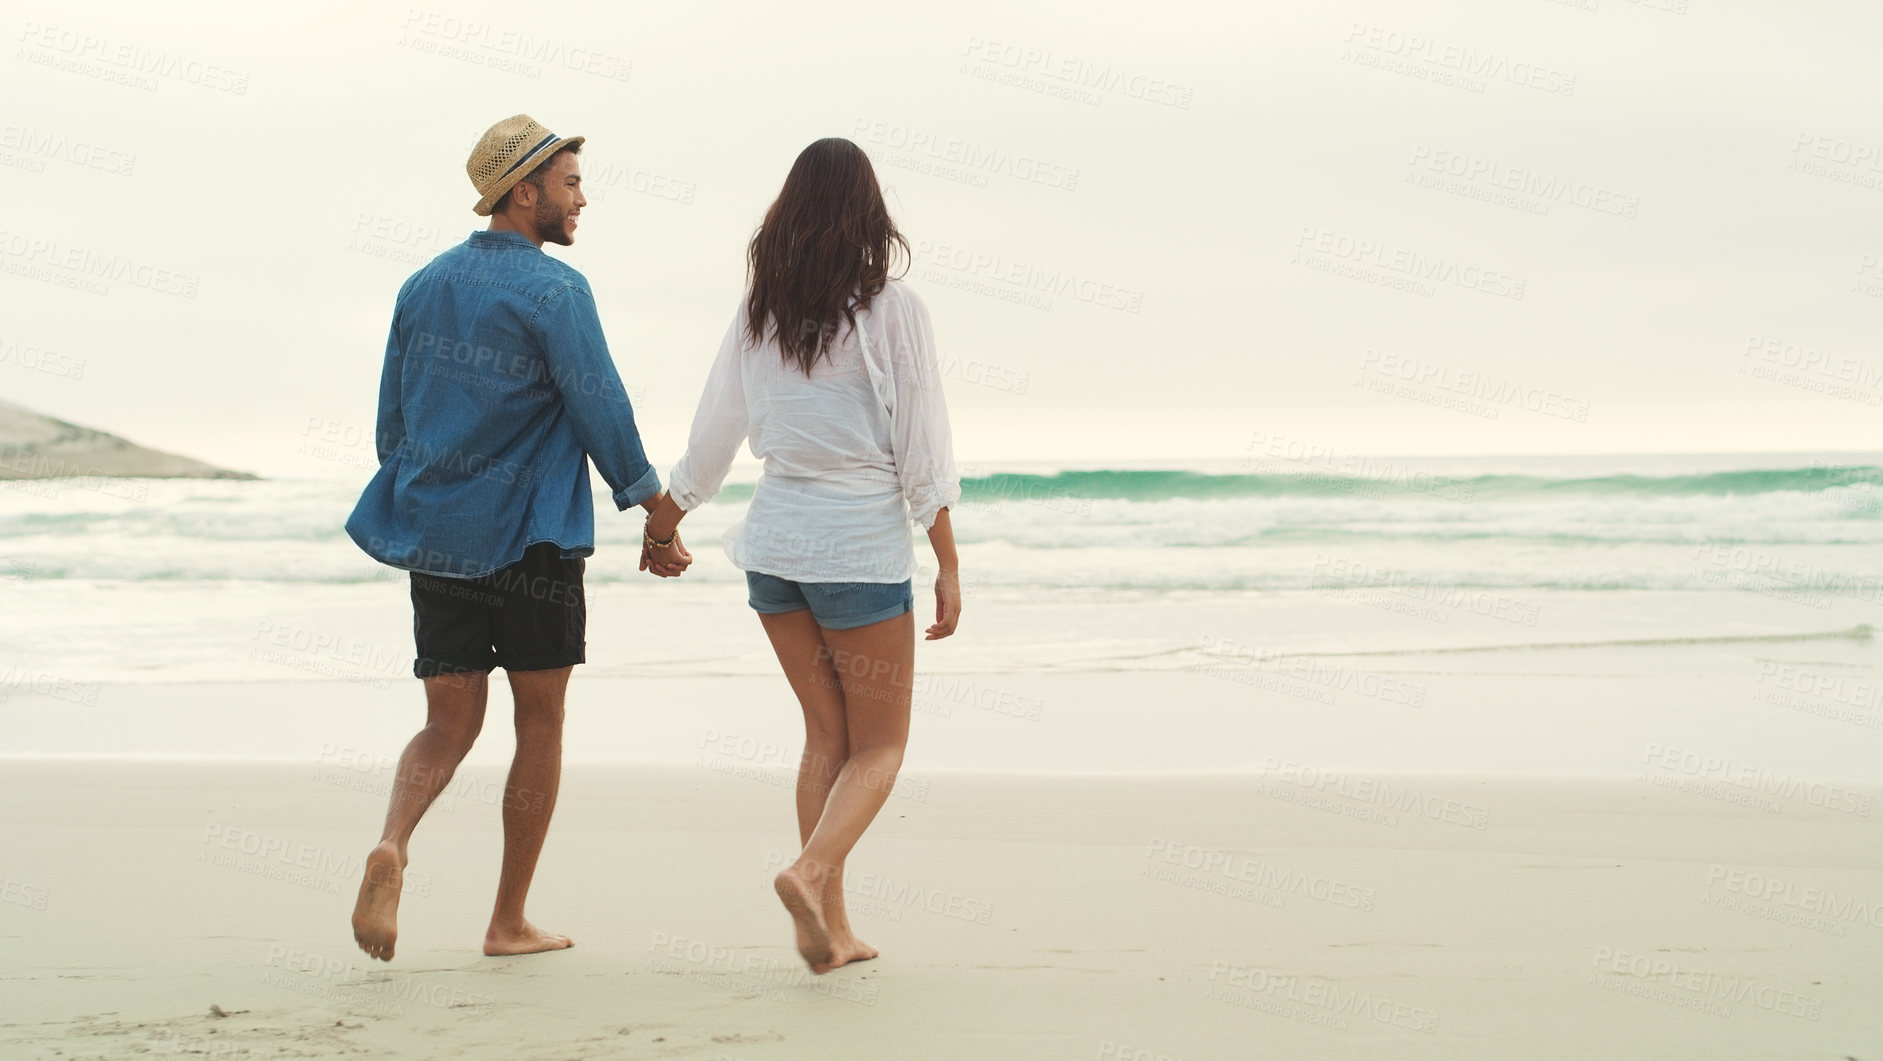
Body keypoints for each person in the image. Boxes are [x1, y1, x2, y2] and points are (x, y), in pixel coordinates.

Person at [342, 114, 691, 963]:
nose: (581, 198)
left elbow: (393, 418)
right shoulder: (555, 290)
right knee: (539, 722)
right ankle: (507, 920)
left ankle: (393, 841)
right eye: (569, 183)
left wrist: (425, 497)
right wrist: (651, 505)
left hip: (440, 535)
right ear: (524, 191)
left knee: (447, 720)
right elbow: (598, 403)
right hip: (534, 536)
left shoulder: (422, 285)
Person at [642, 137, 961, 974]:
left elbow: (712, 438)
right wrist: (948, 565)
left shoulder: (760, 313)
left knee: (825, 733)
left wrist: (662, 523)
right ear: (869, 213)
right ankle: (810, 873)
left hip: (775, 546)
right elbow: (922, 452)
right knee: (880, 747)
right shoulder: (896, 311)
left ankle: (828, 924)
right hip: (856, 549)